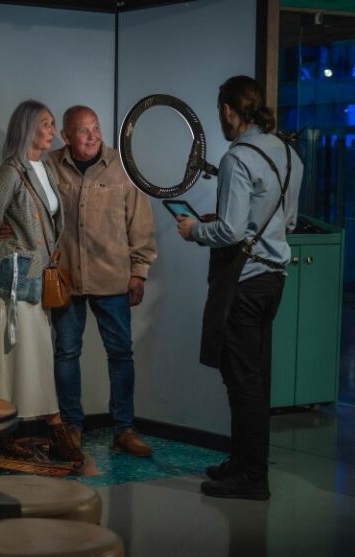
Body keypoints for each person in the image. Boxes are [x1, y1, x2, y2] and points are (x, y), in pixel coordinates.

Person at [175, 75, 302, 501]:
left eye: (220, 113)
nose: (221, 120)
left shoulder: (237, 158)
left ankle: (251, 475)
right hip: (274, 279)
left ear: (229, 111)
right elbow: (287, 222)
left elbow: (229, 230)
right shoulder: (289, 154)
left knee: (242, 380)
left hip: (244, 281)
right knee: (253, 377)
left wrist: (194, 230)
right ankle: (243, 462)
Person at [0, 100, 85, 464]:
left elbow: (48, 222)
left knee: (34, 356)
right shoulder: (10, 172)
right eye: (46, 123)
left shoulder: (45, 170)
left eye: (53, 124)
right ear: (27, 128)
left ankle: (13, 430)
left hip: (37, 276)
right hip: (16, 277)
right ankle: (50, 429)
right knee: (16, 355)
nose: (52, 130)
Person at [45, 105, 157, 457]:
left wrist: (139, 272)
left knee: (121, 354)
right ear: (66, 136)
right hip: (66, 278)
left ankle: (124, 429)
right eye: (83, 130)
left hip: (113, 280)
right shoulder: (48, 167)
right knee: (66, 353)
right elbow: (30, 209)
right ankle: (72, 427)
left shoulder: (122, 169)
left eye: (95, 128)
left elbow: (140, 224)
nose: (92, 135)